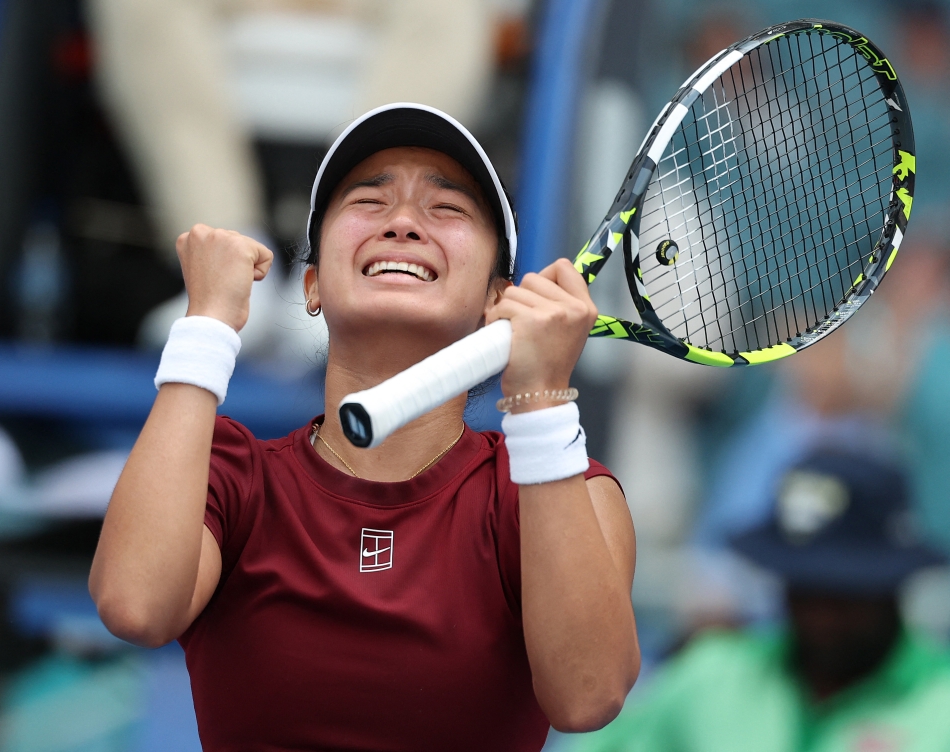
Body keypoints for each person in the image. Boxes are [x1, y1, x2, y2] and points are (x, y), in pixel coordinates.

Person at [88, 103, 640, 750]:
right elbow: (134, 606)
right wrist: (207, 324)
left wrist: (541, 400)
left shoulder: (555, 491)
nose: (403, 222)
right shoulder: (230, 473)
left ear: (498, 299)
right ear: (314, 285)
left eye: (447, 209)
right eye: (370, 201)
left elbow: (588, 695)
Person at [566, 450, 950, 752]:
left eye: (844, 596)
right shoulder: (711, 676)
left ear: (892, 584)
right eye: (804, 589)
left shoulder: (941, 704)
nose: (822, 617)